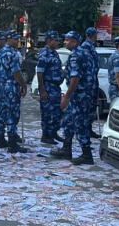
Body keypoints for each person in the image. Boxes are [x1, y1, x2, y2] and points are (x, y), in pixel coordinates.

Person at [51, 30, 96, 165]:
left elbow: (75, 78)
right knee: (69, 121)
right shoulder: (85, 53)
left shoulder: (76, 55)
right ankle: (66, 148)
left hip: (80, 96)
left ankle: (86, 155)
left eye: (67, 40)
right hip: (84, 94)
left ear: (75, 42)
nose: (65, 42)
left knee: (80, 124)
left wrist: (67, 97)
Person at [0, 30, 28, 153]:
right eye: (15, 39)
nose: (17, 41)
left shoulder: (2, 52)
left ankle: (0, 139)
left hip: (2, 85)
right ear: (9, 39)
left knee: (2, 112)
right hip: (11, 86)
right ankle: (12, 143)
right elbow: (16, 73)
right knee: (12, 114)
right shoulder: (12, 54)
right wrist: (24, 85)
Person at [36, 30, 64, 144]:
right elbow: (40, 73)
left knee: (56, 113)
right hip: (48, 87)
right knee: (47, 113)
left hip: (56, 87)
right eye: (55, 40)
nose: (57, 42)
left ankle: (53, 133)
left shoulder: (54, 53)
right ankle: (46, 135)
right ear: (48, 41)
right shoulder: (44, 54)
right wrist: (42, 90)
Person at [81, 28, 101, 140]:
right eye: (96, 34)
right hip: (87, 83)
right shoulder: (85, 47)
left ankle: (89, 129)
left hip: (93, 81)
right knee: (86, 109)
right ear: (92, 35)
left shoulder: (92, 46)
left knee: (92, 108)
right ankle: (84, 131)